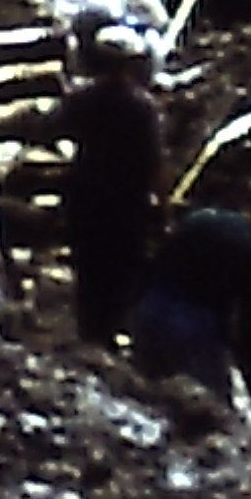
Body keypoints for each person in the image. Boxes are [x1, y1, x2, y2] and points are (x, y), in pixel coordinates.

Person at [51, 22, 167, 347]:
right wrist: (165, 206)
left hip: (86, 195)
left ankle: (89, 333)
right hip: (127, 202)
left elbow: (52, 128)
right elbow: (156, 163)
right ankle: (110, 332)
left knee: (88, 266)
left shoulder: (81, 98)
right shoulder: (142, 107)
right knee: (121, 269)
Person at [126, 202, 251, 404]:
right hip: (192, 330)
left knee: (144, 395)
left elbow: (155, 260)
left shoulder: (198, 218)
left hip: (150, 308)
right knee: (209, 407)